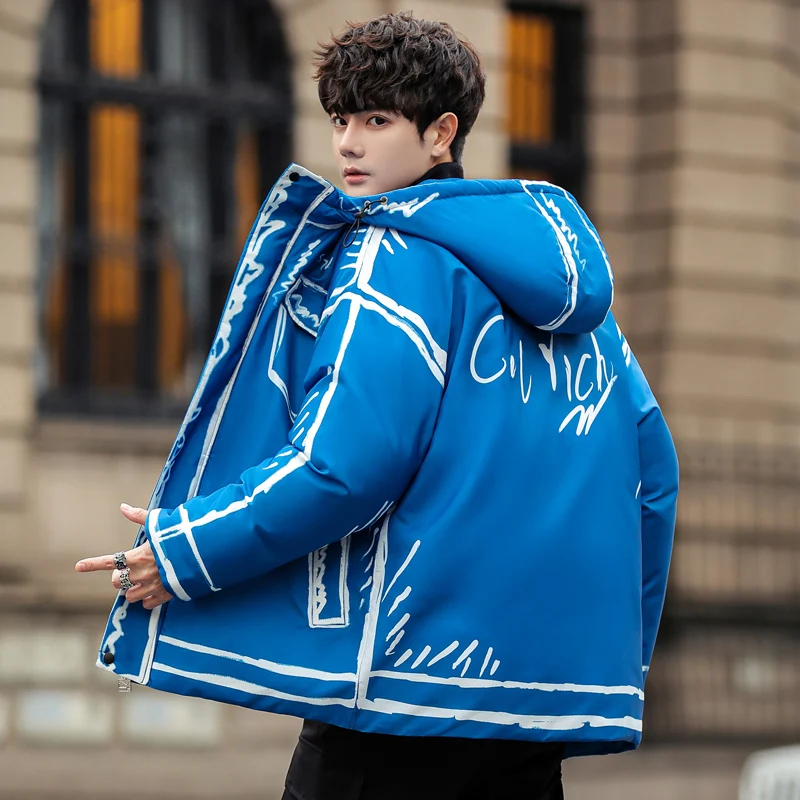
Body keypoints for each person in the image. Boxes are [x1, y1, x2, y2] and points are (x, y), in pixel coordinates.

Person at [76, 13, 679, 800]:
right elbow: (653, 481)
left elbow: (344, 467)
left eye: (377, 120)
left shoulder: (392, 251)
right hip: (528, 717)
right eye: (340, 120)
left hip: (400, 701)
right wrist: (610, 661)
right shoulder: (588, 316)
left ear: (442, 133)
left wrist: (185, 551)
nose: (349, 145)